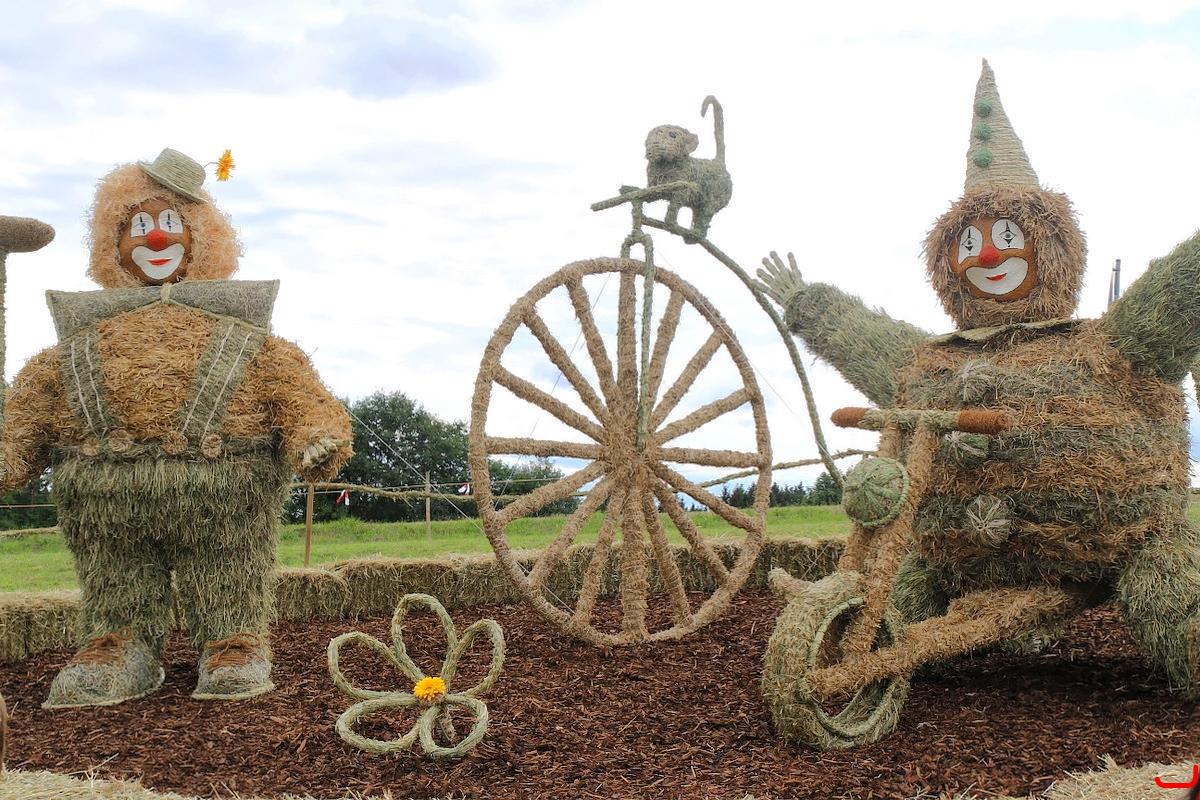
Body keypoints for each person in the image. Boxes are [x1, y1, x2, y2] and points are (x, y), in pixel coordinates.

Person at [758, 60, 1200, 694]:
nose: (988, 254)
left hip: (1116, 543)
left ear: (1051, 248)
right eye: (970, 244)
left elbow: (1179, 290)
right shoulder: (929, 360)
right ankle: (861, 635)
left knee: (1169, 582)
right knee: (899, 595)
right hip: (955, 557)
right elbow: (861, 335)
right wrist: (808, 303)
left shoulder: (1109, 345)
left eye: (1008, 237)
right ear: (948, 263)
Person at [0, 148, 353, 706]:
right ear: (112, 243)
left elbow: (297, 393)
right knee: (116, 581)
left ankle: (231, 641)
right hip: (106, 504)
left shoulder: (251, 341)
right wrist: (8, 455)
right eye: (139, 226)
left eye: (170, 223)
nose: (157, 238)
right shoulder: (70, 350)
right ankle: (120, 644)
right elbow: (27, 415)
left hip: (225, 499)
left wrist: (316, 435)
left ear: (203, 238)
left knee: (228, 572)